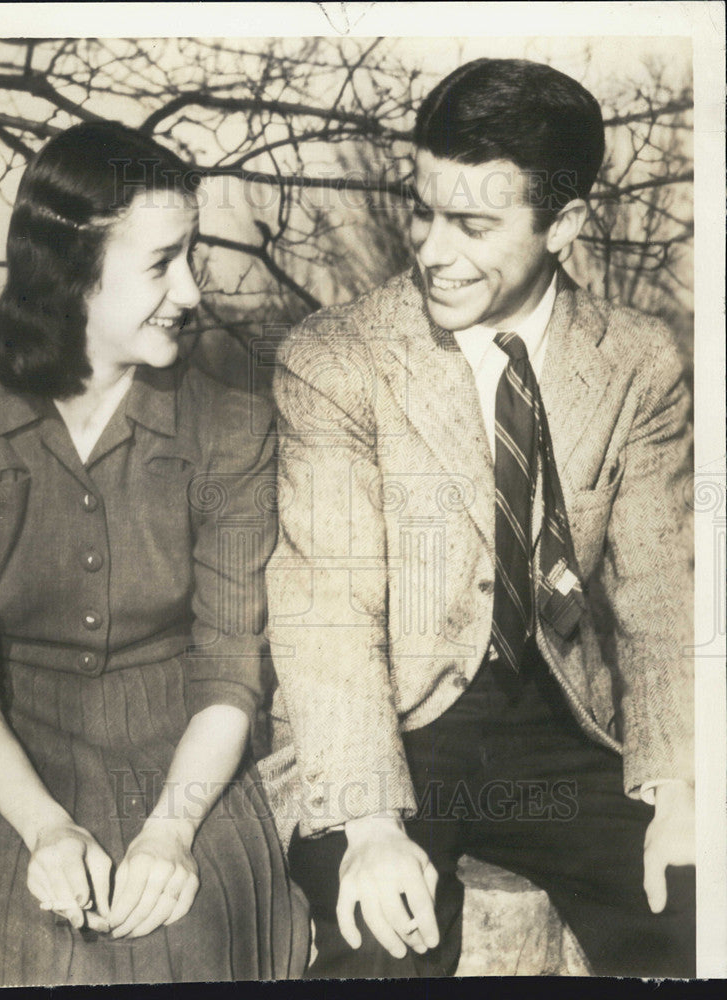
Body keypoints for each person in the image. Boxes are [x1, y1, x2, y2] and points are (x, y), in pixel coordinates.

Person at [265, 58, 694, 978]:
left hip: (566, 718)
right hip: (395, 721)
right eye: (423, 210)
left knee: (693, 905)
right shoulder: (334, 357)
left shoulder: (638, 362)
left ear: (565, 225)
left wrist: (681, 786)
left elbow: (660, 595)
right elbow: (327, 606)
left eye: (473, 224)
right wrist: (371, 826)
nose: (432, 249)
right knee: (383, 939)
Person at [0, 121, 309, 986]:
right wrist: (43, 827)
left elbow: (229, 670)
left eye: (191, 257)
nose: (191, 292)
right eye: (162, 263)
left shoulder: (232, 429)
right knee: (21, 940)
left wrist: (171, 828)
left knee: (179, 937)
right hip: (1, 745)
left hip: (186, 746)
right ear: (69, 272)